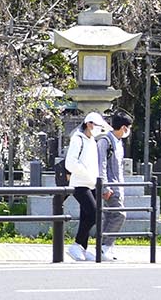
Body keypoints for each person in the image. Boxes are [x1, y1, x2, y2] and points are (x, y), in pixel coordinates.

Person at [64, 111, 109, 262]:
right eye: (97, 125)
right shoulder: (78, 139)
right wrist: (86, 174)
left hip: (92, 184)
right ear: (89, 124)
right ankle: (76, 244)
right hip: (80, 184)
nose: (99, 129)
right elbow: (70, 162)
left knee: (86, 216)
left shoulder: (92, 141)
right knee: (95, 214)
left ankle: (82, 248)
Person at [97, 111, 134, 261]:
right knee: (119, 215)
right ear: (124, 128)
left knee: (110, 216)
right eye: (128, 128)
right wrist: (104, 186)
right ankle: (104, 246)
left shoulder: (119, 142)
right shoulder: (106, 141)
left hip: (118, 186)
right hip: (110, 186)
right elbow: (102, 165)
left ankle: (106, 247)